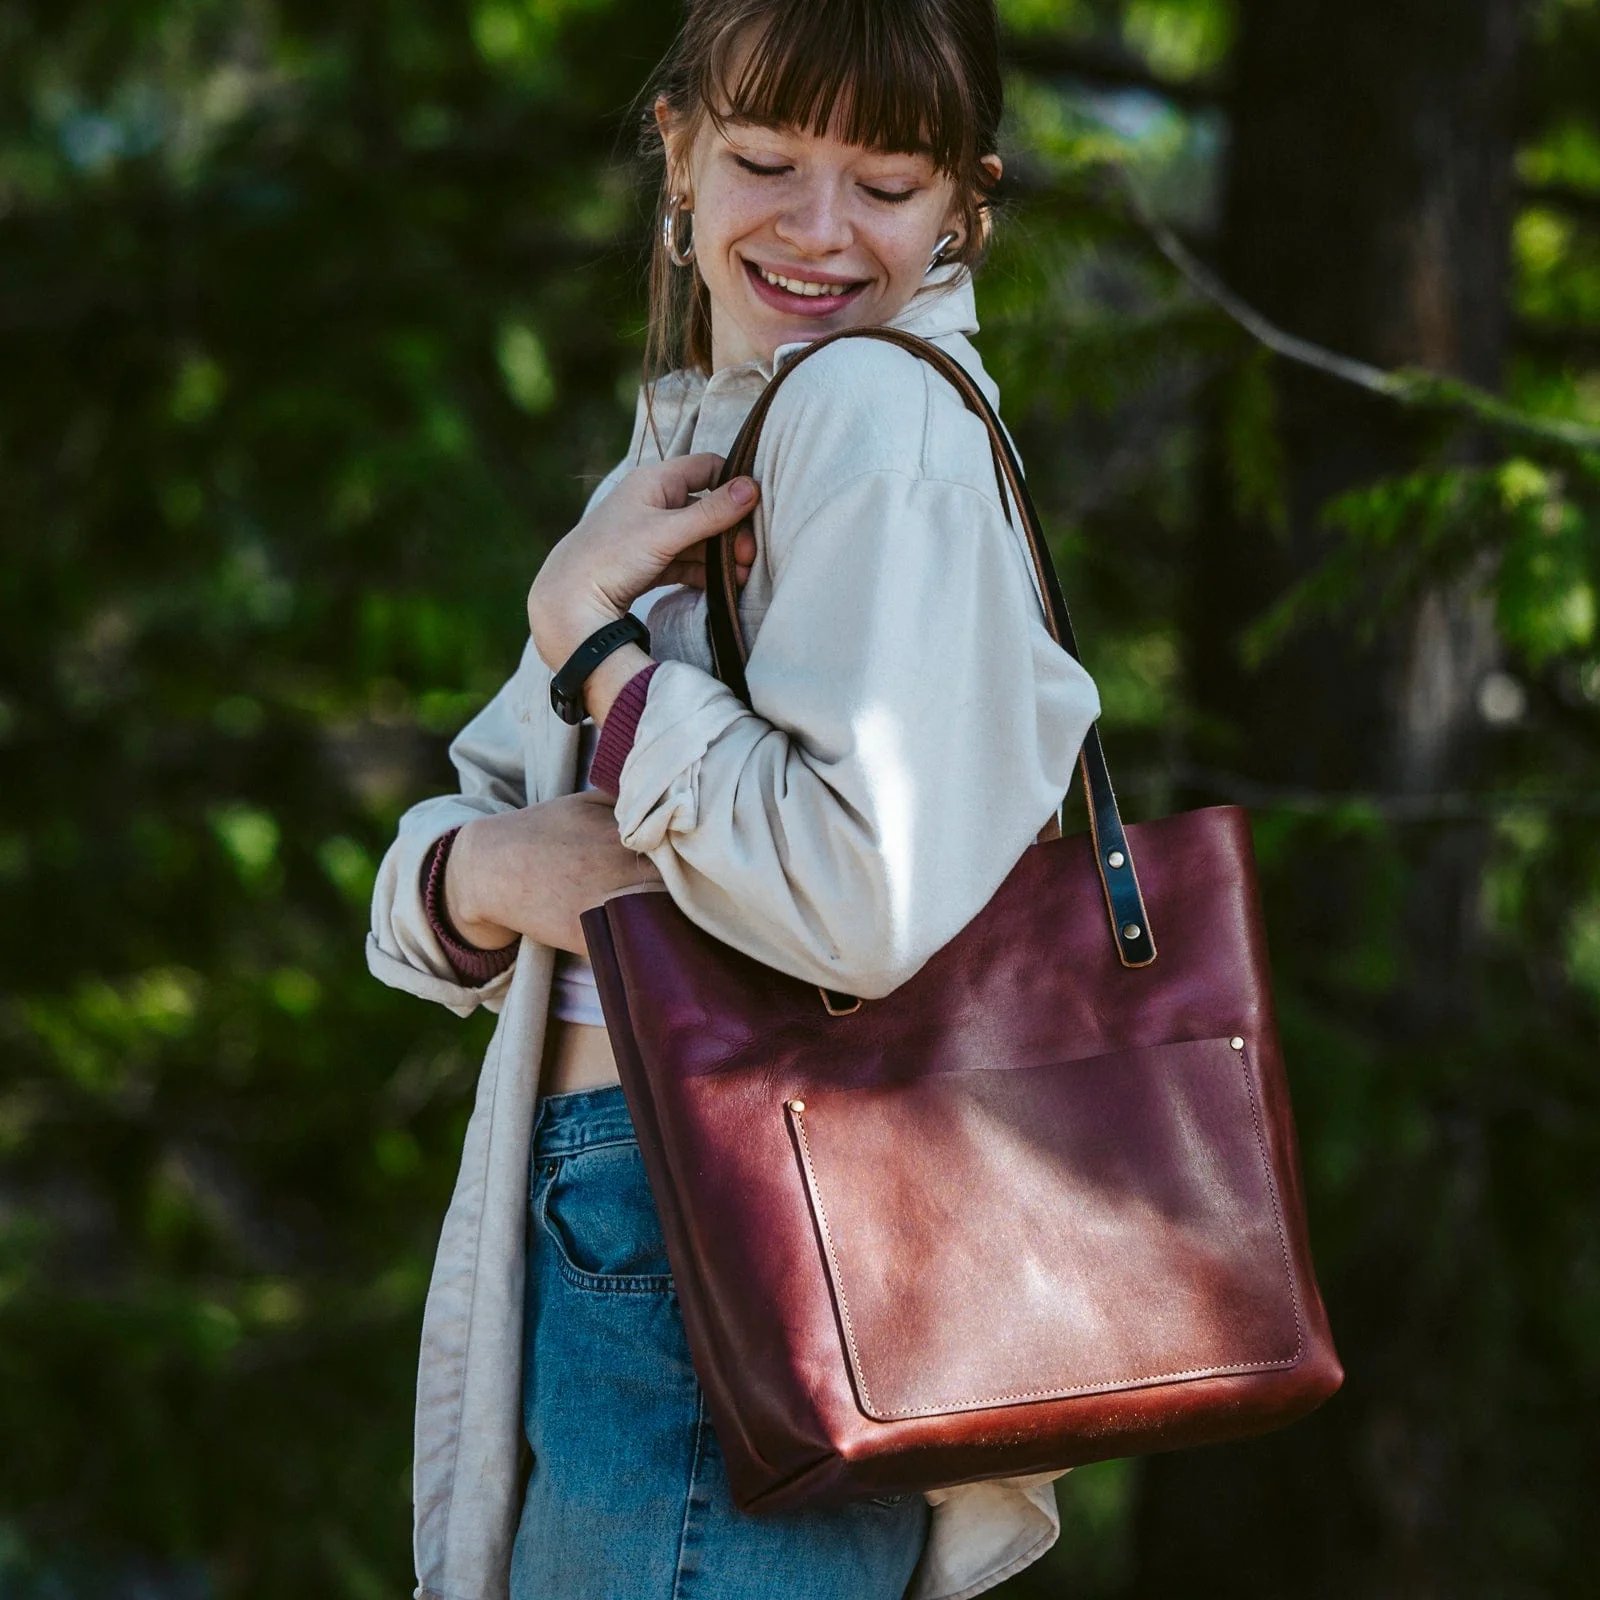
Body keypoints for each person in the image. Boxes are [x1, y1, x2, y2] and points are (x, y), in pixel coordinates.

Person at [366, 1, 1104, 1596]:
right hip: (667, 1212)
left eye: (888, 186)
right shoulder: (704, 445)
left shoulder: (872, 411)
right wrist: (495, 868)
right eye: (768, 159)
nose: (821, 232)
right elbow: (456, 856)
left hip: (724, 1214)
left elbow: (863, 897)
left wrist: (608, 663)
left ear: (965, 201)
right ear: (679, 154)